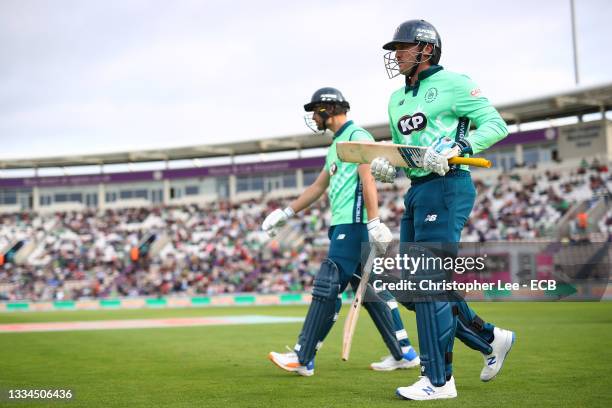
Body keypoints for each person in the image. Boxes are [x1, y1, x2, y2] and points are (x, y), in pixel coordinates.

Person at [371, 20, 515, 400]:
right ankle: (489, 338)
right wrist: (390, 164)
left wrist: (459, 148)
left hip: (449, 185)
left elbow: (495, 125)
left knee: (429, 283)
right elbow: (409, 152)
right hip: (417, 191)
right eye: (396, 48)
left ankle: (438, 380)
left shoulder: (454, 82)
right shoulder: (396, 99)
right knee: (409, 289)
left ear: (426, 49)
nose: (396, 54)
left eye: (402, 47)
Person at [265, 87, 420, 376]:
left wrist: (374, 222)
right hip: (344, 224)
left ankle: (303, 356)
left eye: (316, 110)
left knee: (327, 285)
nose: (313, 116)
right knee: (373, 292)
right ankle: (404, 353)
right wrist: (285, 213)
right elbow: (318, 187)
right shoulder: (336, 145)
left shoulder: (358, 136)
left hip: (353, 224)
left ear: (329, 109)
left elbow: (368, 179)